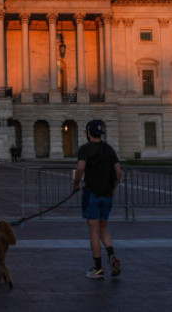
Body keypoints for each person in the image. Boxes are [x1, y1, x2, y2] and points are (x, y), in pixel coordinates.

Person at [71, 119, 122, 279]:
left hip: (92, 194)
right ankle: (112, 255)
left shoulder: (85, 149)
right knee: (103, 228)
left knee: (93, 231)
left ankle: (98, 268)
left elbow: (80, 168)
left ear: (88, 133)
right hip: (107, 195)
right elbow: (118, 173)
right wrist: (112, 187)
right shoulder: (109, 149)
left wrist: (76, 184)